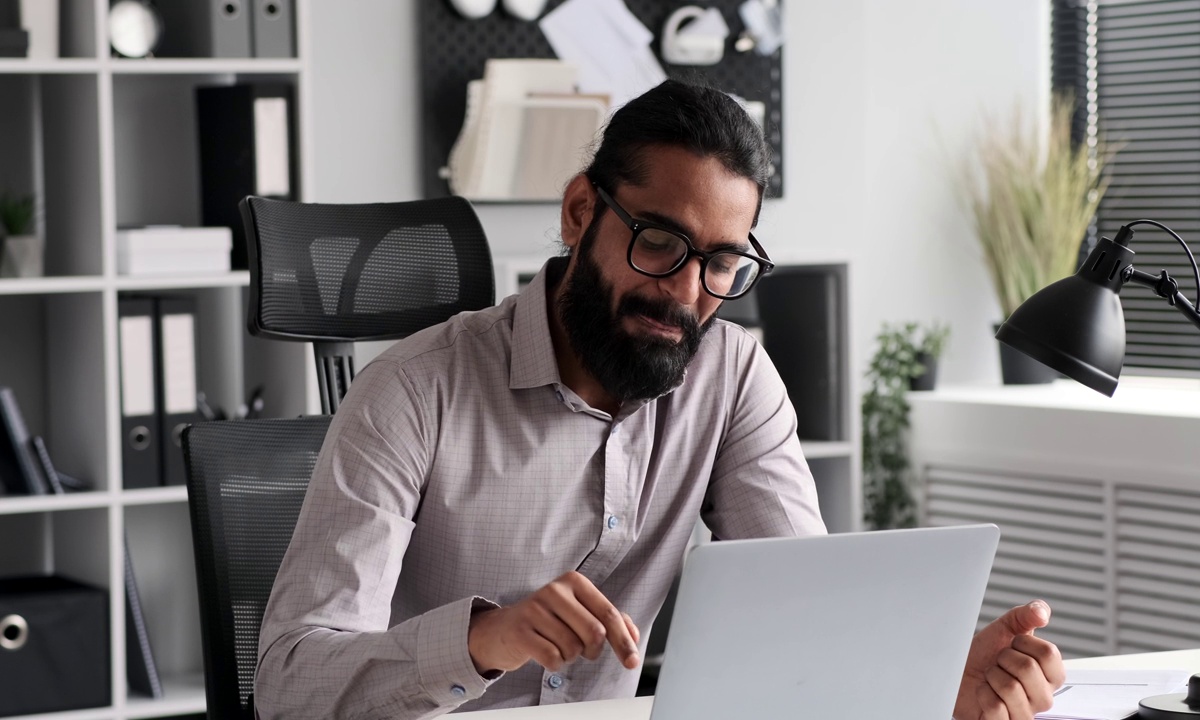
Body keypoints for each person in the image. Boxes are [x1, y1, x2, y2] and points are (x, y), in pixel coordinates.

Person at [255, 79, 1065, 719]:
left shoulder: (734, 376)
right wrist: (485, 639)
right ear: (581, 212)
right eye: (659, 243)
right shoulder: (411, 391)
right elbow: (289, 685)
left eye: (720, 262)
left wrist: (923, 684)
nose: (685, 292)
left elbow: (806, 610)